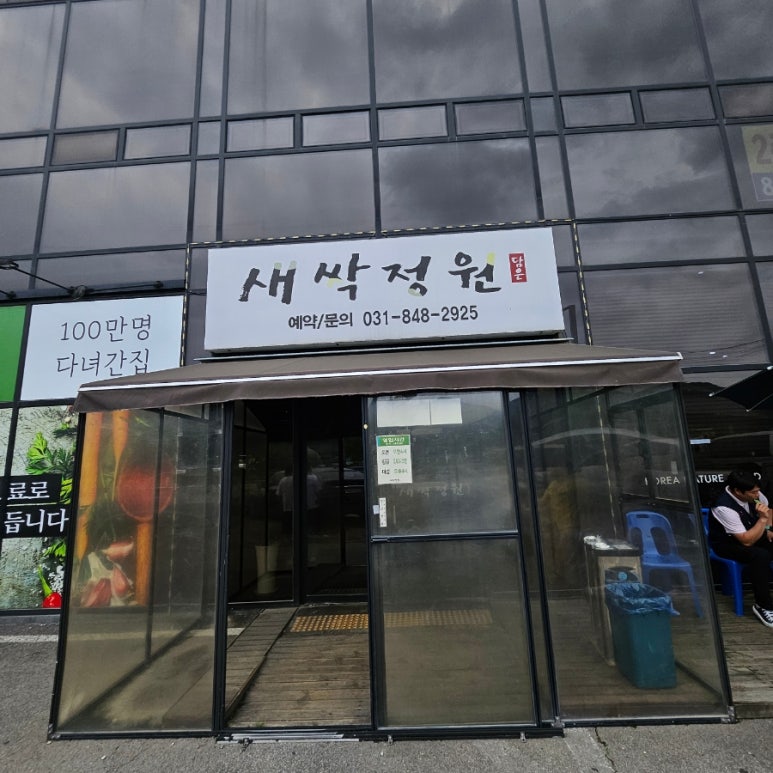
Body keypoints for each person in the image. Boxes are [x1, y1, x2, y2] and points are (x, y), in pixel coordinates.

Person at [709, 469, 773, 627]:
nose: (757, 495)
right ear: (738, 491)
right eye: (753, 492)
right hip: (728, 544)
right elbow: (746, 541)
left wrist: (769, 527)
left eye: (757, 491)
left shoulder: (755, 494)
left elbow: (769, 509)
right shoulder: (723, 506)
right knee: (760, 556)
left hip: (754, 533)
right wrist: (762, 520)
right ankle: (763, 606)